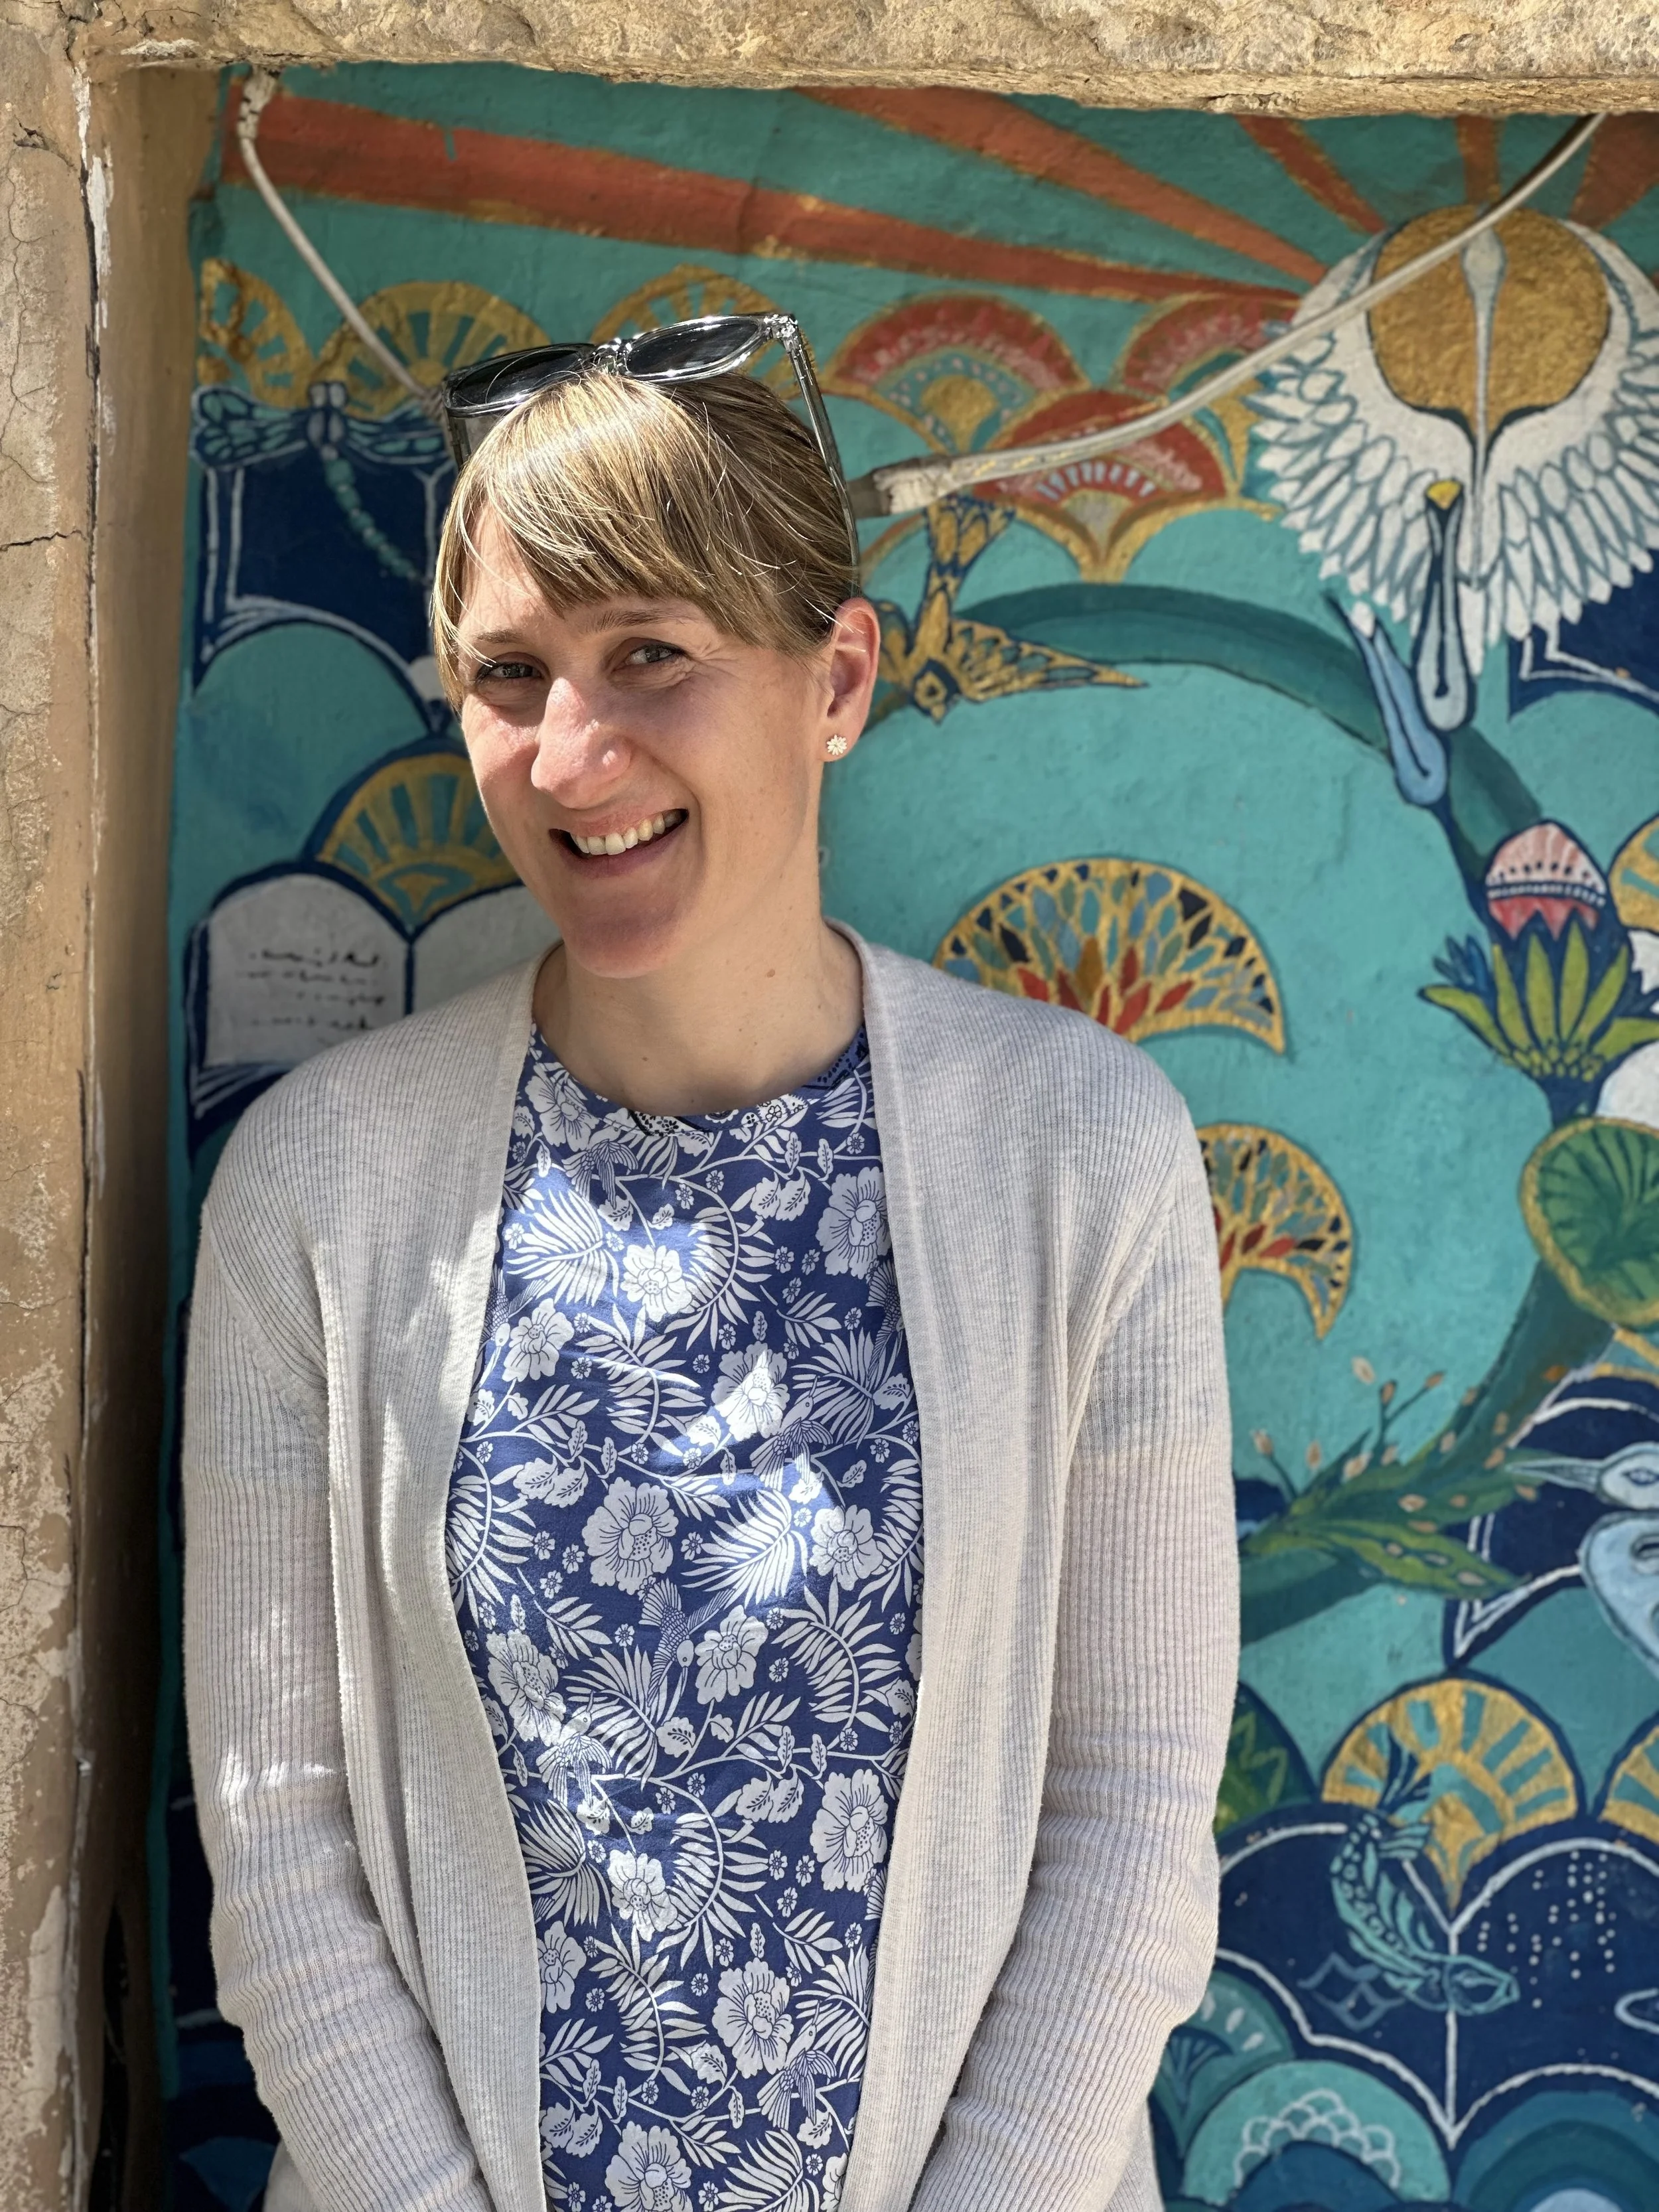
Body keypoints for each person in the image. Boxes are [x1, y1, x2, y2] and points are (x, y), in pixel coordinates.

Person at [183, 324, 1238, 2212]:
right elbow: (282, 1846)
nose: (571, 755)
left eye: (649, 656)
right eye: (510, 675)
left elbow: (1130, 1819)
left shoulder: (1083, 1158)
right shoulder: (320, 1191)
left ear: (832, 675)